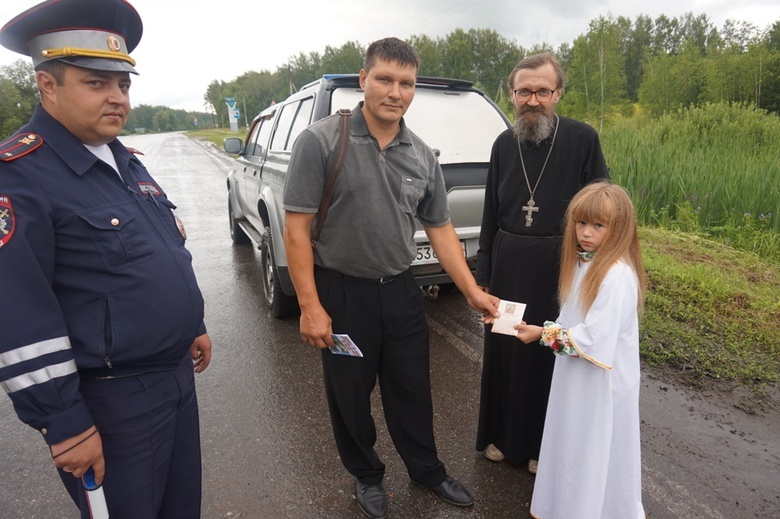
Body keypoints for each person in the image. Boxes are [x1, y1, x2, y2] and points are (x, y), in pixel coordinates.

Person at [0, 1, 211, 517]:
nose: (117, 98)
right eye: (96, 83)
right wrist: (64, 422)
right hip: (112, 404)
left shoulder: (122, 160)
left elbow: (160, 252)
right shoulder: (20, 176)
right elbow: (17, 312)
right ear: (47, 85)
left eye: (124, 85)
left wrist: (192, 323)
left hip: (174, 380)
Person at [283, 37, 499, 519]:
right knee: (349, 394)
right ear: (363, 80)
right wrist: (311, 306)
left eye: (406, 83)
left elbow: (440, 228)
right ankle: (367, 476)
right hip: (341, 294)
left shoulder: (421, 155)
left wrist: (470, 291)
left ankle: (426, 470)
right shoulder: (320, 141)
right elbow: (296, 231)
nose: (394, 91)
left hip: (402, 291)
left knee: (411, 388)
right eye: (384, 79)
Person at [475, 52, 610, 473]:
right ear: (512, 94)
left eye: (542, 91)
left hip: (562, 266)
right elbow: (490, 217)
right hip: (509, 264)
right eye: (523, 92)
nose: (532, 101)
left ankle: (541, 447)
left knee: (548, 353)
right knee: (507, 350)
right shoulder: (502, 143)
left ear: (558, 93)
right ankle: (501, 437)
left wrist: (595, 267)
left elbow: (603, 209)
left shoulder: (582, 139)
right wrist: (483, 278)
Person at [513, 180, 646, 518]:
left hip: (600, 383)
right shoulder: (585, 263)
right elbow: (571, 320)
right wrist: (541, 329)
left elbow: (592, 339)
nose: (585, 233)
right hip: (576, 374)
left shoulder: (616, 276)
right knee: (571, 441)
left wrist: (541, 336)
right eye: (581, 223)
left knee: (593, 448)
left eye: (598, 225)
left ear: (618, 229)